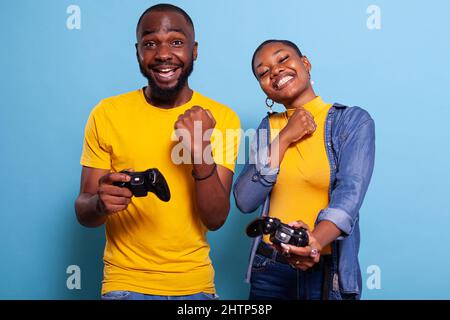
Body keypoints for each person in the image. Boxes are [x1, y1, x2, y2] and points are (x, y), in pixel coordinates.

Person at [75, 4, 240, 300]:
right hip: (125, 284)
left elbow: (215, 219)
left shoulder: (222, 118)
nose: (163, 54)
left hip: (196, 287)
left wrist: (200, 150)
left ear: (194, 50)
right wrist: (100, 203)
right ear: (138, 51)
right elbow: (83, 210)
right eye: (150, 44)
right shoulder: (107, 113)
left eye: (176, 42)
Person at [233, 40, 375, 300]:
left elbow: (349, 196)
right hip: (270, 269)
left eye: (283, 59)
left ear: (306, 64)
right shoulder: (268, 128)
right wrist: (285, 137)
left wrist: (314, 243)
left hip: (326, 270)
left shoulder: (352, 121)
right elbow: (245, 200)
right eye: (263, 72)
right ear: (264, 88)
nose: (274, 71)